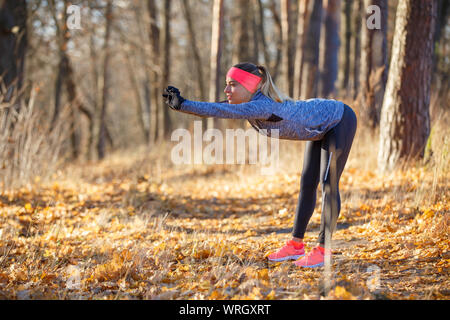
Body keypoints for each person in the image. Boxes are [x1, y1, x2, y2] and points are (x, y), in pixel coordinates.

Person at [162, 62, 357, 268]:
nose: (227, 90)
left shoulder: (261, 106)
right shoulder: (248, 104)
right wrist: (182, 104)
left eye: (233, 85)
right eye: (227, 84)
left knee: (328, 183)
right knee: (307, 184)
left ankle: (323, 250)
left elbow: (217, 110)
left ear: (251, 86)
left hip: (338, 120)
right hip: (320, 128)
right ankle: (295, 245)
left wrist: (183, 104)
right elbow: (215, 107)